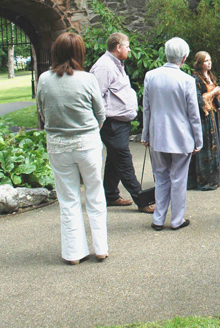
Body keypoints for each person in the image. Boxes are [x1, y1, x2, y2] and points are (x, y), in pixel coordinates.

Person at [36, 33, 107, 265]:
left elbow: (41, 110)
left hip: (58, 146)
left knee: (68, 199)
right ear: (79, 53)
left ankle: (73, 253)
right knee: (95, 195)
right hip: (87, 144)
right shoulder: (87, 79)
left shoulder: (44, 80)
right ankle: (101, 248)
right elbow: (100, 113)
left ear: (54, 52)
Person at [90, 33, 155, 214]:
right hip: (111, 124)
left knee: (114, 159)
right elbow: (96, 97)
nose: (129, 49)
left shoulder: (116, 65)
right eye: (127, 46)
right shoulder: (104, 67)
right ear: (118, 47)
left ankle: (110, 195)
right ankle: (142, 200)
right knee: (124, 161)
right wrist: (101, 123)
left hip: (119, 124)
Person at [142, 37, 202, 231]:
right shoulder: (187, 80)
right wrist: (198, 140)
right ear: (184, 58)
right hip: (181, 136)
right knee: (178, 179)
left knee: (160, 177)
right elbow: (193, 114)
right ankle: (177, 220)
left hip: (157, 134)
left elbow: (146, 108)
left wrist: (145, 135)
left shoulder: (151, 76)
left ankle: (158, 218)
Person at [187, 51, 220, 190]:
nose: (209, 63)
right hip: (204, 118)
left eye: (210, 60)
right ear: (199, 63)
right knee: (206, 146)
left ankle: (216, 178)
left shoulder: (210, 76)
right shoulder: (195, 79)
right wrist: (214, 92)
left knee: (216, 144)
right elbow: (198, 99)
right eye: (205, 61)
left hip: (214, 115)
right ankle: (205, 180)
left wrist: (217, 95)